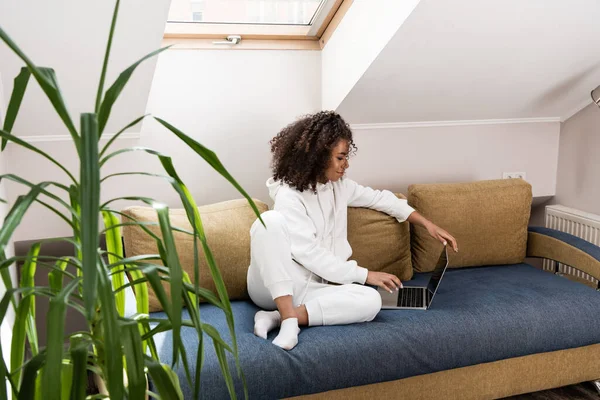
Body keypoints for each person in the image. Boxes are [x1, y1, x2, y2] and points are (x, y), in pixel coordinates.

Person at [246, 111, 458, 350]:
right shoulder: (289, 195)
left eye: (346, 157)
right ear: (318, 157)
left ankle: (277, 317)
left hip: (312, 285)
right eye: (340, 158)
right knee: (269, 221)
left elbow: (380, 199)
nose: (346, 165)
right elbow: (310, 254)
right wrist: (366, 275)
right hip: (275, 284)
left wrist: (427, 224)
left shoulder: (339, 187)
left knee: (371, 300)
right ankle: (287, 318)